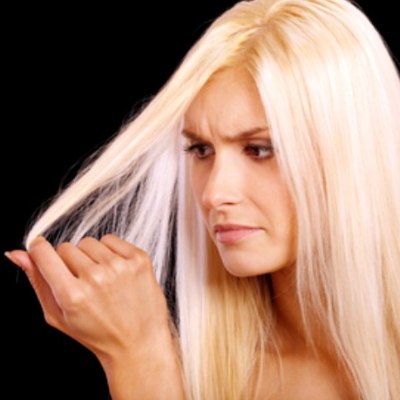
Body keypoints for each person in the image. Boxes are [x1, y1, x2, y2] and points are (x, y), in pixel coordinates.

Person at [5, 0, 400, 398]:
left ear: (354, 153)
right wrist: (138, 354)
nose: (214, 194)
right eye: (200, 150)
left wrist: (140, 359)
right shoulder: (219, 373)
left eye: (260, 149)